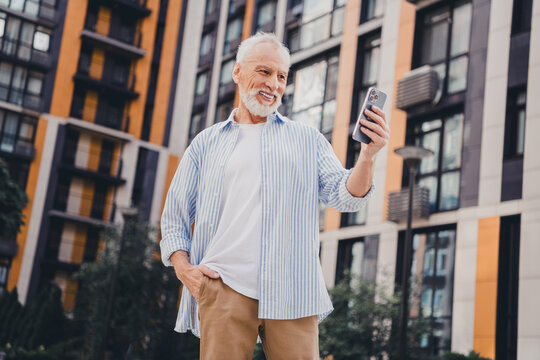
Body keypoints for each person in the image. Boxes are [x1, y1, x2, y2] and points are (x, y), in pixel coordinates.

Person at [160, 32, 389, 359]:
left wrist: (367, 155)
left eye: (281, 76)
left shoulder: (306, 139)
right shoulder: (205, 144)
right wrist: (184, 270)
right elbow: (174, 219)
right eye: (264, 72)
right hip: (223, 288)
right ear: (238, 73)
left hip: (293, 290)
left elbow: (345, 196)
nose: (274, 84)